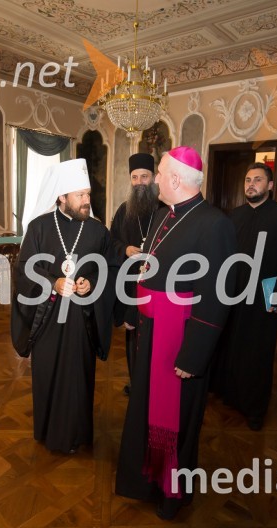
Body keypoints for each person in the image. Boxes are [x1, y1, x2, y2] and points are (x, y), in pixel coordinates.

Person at [115, 146, 236, 520]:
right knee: (147, 410)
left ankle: (172, 495)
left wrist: (193, 355)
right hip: (152, 333)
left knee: (179, 419)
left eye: (161, 174)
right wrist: (136, 310)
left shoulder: (215, 224)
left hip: (182, 340)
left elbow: (218, 295)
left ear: (177, 180)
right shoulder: (160, 216)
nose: (155, 182)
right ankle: (147, 480)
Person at [10, 158, 117, 454]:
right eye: (80, 195)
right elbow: (24, 270)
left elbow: (110, 268)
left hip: (82, 320)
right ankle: (48, 430)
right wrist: (53, 283)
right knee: (49, 373)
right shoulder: (40, 228)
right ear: (62, 197)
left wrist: (91, 283)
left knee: (79, 376)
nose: (87, 201)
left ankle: (78, 434)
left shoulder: (98, 231)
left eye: (88, 194)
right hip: (48, 319)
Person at [211, 163, 277, 430]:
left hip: (264, 293)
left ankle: (254, 408)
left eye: (258, 180)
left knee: (257, 351)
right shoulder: (232, 216)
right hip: (232, 292)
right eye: (248, 179)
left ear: (270, 186)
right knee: (228, 344)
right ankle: (228, 393)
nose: (251, 184)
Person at [110, 153, 160, 395]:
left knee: (156, 337)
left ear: (153, 178)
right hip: (131, 285)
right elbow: (111, 242)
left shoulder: (164, 209)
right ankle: (136, 382)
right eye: (135, 177)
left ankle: (154, 383)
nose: (139, 181)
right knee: (133, 336)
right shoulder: (123, 210)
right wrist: (125, 249)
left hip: (160, 285)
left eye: (144, 176)